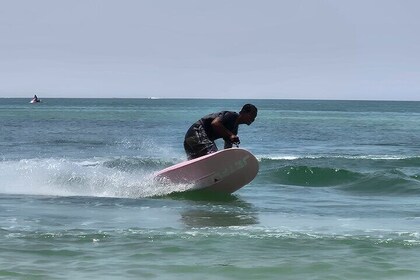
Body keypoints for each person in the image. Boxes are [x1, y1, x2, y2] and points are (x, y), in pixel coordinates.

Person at [183, 104, 258, 160]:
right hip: (196, 133)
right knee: (212, 154)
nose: (253, 119)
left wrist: (227, 159)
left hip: (191, 138)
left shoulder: (234, 130)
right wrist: (231, 135)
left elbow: (227, 148)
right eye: (252, 115)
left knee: (196, 160)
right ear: (244, 112)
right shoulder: (231, 115)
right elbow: (215, 123)